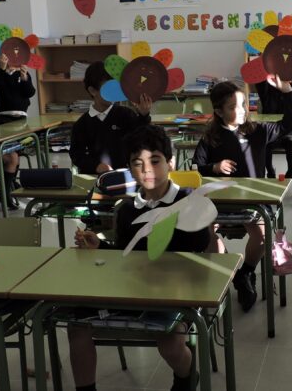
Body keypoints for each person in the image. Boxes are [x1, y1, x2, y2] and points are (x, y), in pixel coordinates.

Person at [72, 125, 207, 391]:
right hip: (132, 290)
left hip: (174, 293)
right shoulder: (127, 210)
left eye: (154, 161)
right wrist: (100, 246)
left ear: (170, 163)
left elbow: (200, 252)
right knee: (77, 327)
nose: (146, 170)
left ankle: (186, 376)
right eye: (137, 163)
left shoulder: (188, 202)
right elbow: (127, 256)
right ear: (130, 169)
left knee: (168, 343)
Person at [193, 76, 292, 312]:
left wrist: (287, 91)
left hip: (252, 201)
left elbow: (289, 123)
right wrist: (214, 167)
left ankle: (244, 273)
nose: (241, 111)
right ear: (218, 111)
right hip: (220, 202)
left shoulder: (257, 130)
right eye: (233, 107)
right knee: (207, 235)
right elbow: (197, 166)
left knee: (262, 236)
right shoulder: (212, 137)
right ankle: (230, 271)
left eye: (243, 104)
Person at [69, 61, 153, 173]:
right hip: (95, 178)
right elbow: (77, 154)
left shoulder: (126, 114)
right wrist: (96, 166)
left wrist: (143, 115)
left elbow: (143, 138)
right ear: (93, 91)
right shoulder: (82, 124)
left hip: (126, 176)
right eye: (108, 88)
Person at [0, 53, 36, 212]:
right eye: (6, 59)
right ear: (0, 60)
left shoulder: (22, 74)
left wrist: (25, 78)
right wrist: (2, 69)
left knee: (18, 152)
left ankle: (7, 188)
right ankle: (6, 190)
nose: (11, 62)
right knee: (12, 153)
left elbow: (29, 93)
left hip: (21, 119)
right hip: (4, 119)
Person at [255, 78, 292, 179]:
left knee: (291, 143)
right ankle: (270, 171)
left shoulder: (288, 88)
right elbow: (259, 84)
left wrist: (288, 76)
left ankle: (291, 172)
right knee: (264, 143)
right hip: (270, 129)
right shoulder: (266, 93)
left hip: (286, 130)